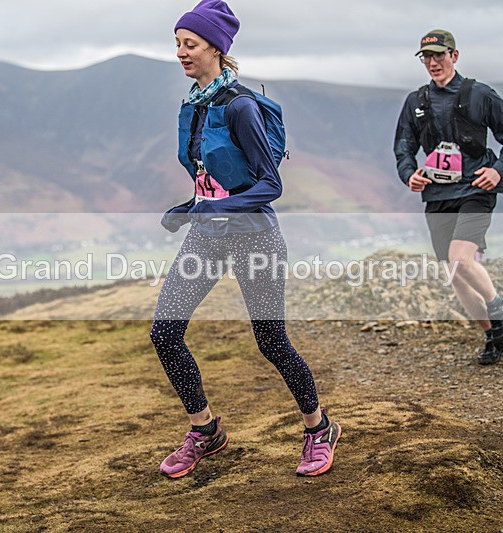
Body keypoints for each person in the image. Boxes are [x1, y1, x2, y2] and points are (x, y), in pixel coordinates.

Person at [150, 0, 340, 478]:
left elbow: (269, 184)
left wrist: (211, 206)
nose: (180, 52)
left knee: (270, 340)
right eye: (177, 44)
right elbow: (211, 177)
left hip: (255, 238)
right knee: (165, 331)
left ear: (215, 47)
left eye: (189, 44)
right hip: (207, 238)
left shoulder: (241, 107)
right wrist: (191, 207)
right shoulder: (193, 107)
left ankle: (319, 429)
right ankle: (205, 430)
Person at [394, 30, 503, 365]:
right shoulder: (416, 101)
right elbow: (403, 148)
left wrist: (499, 171)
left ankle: (498, 307)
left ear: (454, 55)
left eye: (439, 55)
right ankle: (493, 335)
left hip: (477, 188)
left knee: (461, 257)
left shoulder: (480, 93)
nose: (433, 62)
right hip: (437, 194)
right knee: (456, 275)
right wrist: (410, 174)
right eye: (427, 57)